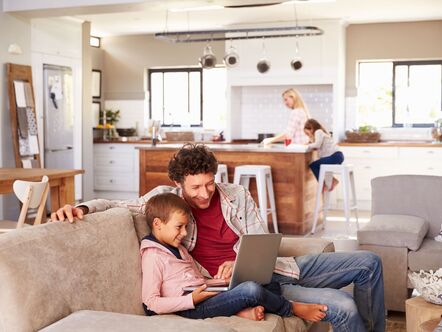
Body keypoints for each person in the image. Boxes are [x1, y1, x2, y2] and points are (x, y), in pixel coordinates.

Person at [51, 144, 385, 332]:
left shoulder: (236, 194)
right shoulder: (167, 201)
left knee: (369, 262)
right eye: (195, 187)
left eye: (209, 183)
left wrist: (237, 259)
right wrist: (80, 206)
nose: (204, 193)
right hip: (240, 286)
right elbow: (116, 203)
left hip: (280, 267)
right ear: (180, 183)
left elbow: (261, 240)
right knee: (341, 305)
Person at [140, 192, 327, 321]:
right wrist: (191, 300)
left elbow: (196, 279)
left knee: (263, 279)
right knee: (251, 290)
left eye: (186, 227)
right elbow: (151, 303)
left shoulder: (178, 247)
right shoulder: (153, 256)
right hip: (189, 308)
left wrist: (221, 282)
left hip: (204, 294)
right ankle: (291, 308)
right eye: (179, 226)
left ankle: (240, 311)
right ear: (157, 224)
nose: (184, 232)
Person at [304, 119, 344, 192]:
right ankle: (332, 181)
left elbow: (317, 144)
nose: (308, 135)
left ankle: (323, 185)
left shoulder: (318, 131)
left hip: (335, 156)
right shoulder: (319, 134)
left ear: (311, 128)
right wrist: (311, 141)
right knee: (321, 166)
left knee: (313, 165)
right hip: (336, 156)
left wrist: (307, 145)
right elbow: (318, 146)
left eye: (307, 133)